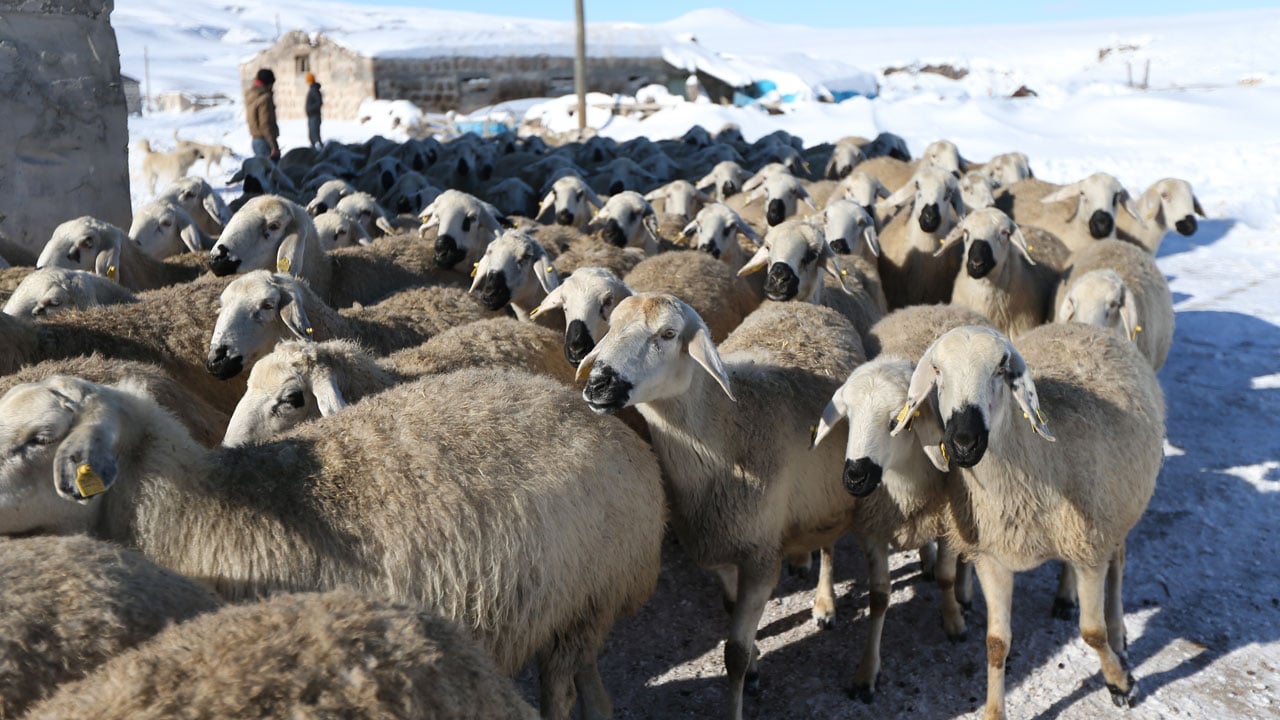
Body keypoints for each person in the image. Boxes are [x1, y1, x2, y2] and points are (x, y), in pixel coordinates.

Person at [244, 68, 280, 160]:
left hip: (256, 140)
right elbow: (265, 124)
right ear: (269, 83)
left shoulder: (252, 95)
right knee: (272, 168)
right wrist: (274, 146)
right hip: (265, 141)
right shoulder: (265, 98)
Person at [305, 71, 323, 149]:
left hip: (314, 116)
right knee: (312, 135)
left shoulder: (314, 90)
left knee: (315, 135)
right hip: (312, 116)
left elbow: (319, 102)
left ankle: (320, 151)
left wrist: (310, 109)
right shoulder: (312, 89)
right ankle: (314, 150)